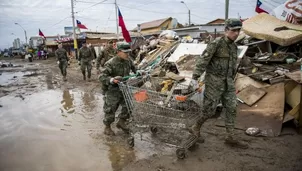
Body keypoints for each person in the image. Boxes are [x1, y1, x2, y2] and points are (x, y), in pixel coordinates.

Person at [190, 18, 248, 149]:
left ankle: (230, 137)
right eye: (234, 30)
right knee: (209, 111)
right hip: (214, 83)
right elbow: (203, 60)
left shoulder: (234, 47)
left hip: (228, 83)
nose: (237, 33)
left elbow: (233, 65)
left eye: (238, 30)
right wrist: (195, 78)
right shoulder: (216, 44)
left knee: (232, 108)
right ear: (226, 30)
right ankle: (195, 127)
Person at [99, 42, 137, 136]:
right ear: (119, 52)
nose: (128, 54)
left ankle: (121, 122)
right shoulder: (111, 63)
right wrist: (112, 79)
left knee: (128, 106)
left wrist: (139, 72)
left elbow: (135, 69)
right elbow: (101, 77)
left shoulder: (128, 61)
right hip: (113, 90)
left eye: (128, 52)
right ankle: (107, 127)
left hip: (124, 88)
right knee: (110, 109)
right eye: (125, 52)